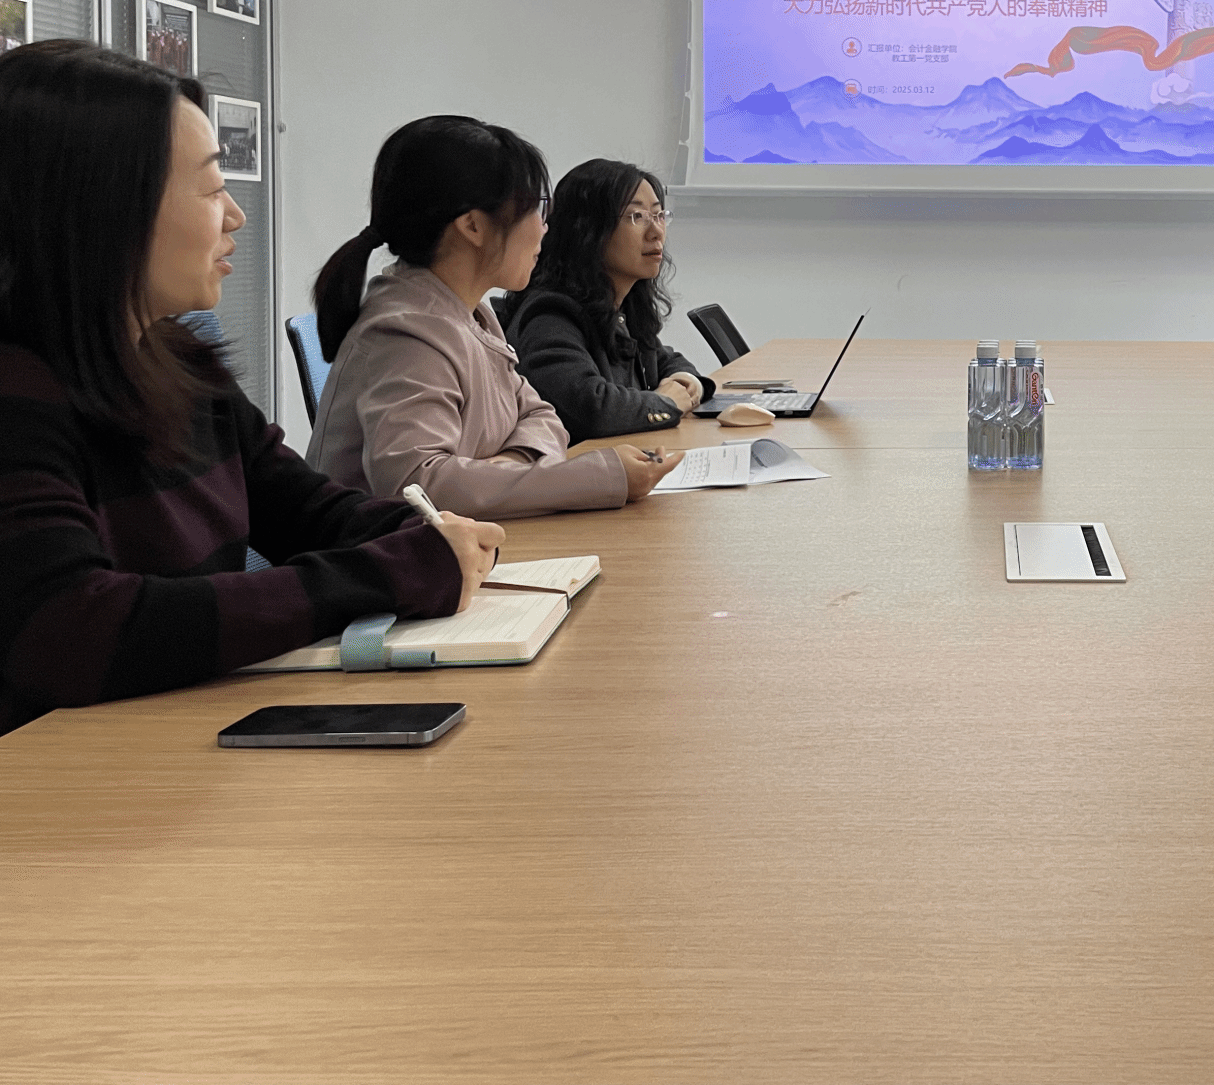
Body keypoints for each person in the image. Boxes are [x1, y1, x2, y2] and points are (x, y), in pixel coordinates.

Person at [0, 41, 504, 733]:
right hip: (63, 776)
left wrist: (413, 532)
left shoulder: (182, 364)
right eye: (212, 189)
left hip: (174, 739)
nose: (235, 216)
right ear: (105, 207)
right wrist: (381, 573)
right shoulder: (18, 395)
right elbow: (72, 631)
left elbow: (306, 509)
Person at [307, 117, 682, 517]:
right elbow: (416, 488)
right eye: (534, 209)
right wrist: (601, 477)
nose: (544, 228)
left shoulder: (470, 313)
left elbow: (542, 417)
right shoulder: (407, 333)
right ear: (473, 225)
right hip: (380, 553)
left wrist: (501, 471)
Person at [499, 159, 716, 445]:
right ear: (588, 230)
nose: (656, 231)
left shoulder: (620, 305)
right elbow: (592, 409)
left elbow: (666, 360)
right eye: (637, 217)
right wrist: (666, 403)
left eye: (659, 215)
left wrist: (687, 382)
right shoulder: (549, 316)